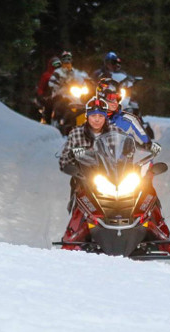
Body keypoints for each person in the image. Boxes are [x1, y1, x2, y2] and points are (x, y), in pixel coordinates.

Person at [95, 77, 170, 255]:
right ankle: (73, 237)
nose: (114, 102)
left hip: (128, 169)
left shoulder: (128, 120)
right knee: (82, 194)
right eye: (110, 98)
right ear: (100, 98)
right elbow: (81, 142)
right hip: (101, 170)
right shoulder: (92, 119)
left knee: (148, 195)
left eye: (116, 98)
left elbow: (144, 142)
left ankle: (165, 240)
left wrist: (149, 153)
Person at [58, 97, 122, 250]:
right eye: (94, 116)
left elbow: (128, 149)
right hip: (86, 178)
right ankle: (72, 239)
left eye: (101, 116)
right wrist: (73, 164)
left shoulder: (116, 132)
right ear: (87, 116)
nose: (97, 120)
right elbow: (64, 159)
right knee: (82, 201)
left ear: (106, 117)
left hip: (114, 177)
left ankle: (153, 233)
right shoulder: (77, 133)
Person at [35, 56, 61, 124]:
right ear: (51, 65)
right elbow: (41, 87)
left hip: (62, 96)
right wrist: (40, 95)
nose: (57, 66)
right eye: (55, 64)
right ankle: (48, 121)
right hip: (50, 97)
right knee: (49, 106)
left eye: (58, 64)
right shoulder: (47, 75)